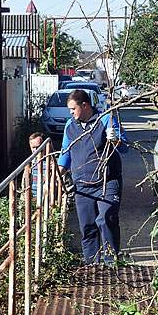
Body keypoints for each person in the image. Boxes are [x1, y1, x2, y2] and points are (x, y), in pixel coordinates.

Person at [58, 89, 129, 264]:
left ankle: (111, 262)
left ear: (85, 105)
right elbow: (65, 155)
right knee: (88, 226)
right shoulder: (70, 126)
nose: (71, 113)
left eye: (73, 109)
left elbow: (124, 147)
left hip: (107, 180)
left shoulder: (105, 119)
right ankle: (92, 265)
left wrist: (115, 140)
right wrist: (55, 177)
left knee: (106, 219)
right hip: (81, 184)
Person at [28, 132, 46, 197]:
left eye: (38, 147)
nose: (35, 150)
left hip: (47, 201)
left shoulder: (54, 164)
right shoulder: (29, 164)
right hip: (32, 201)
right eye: (33, 147)